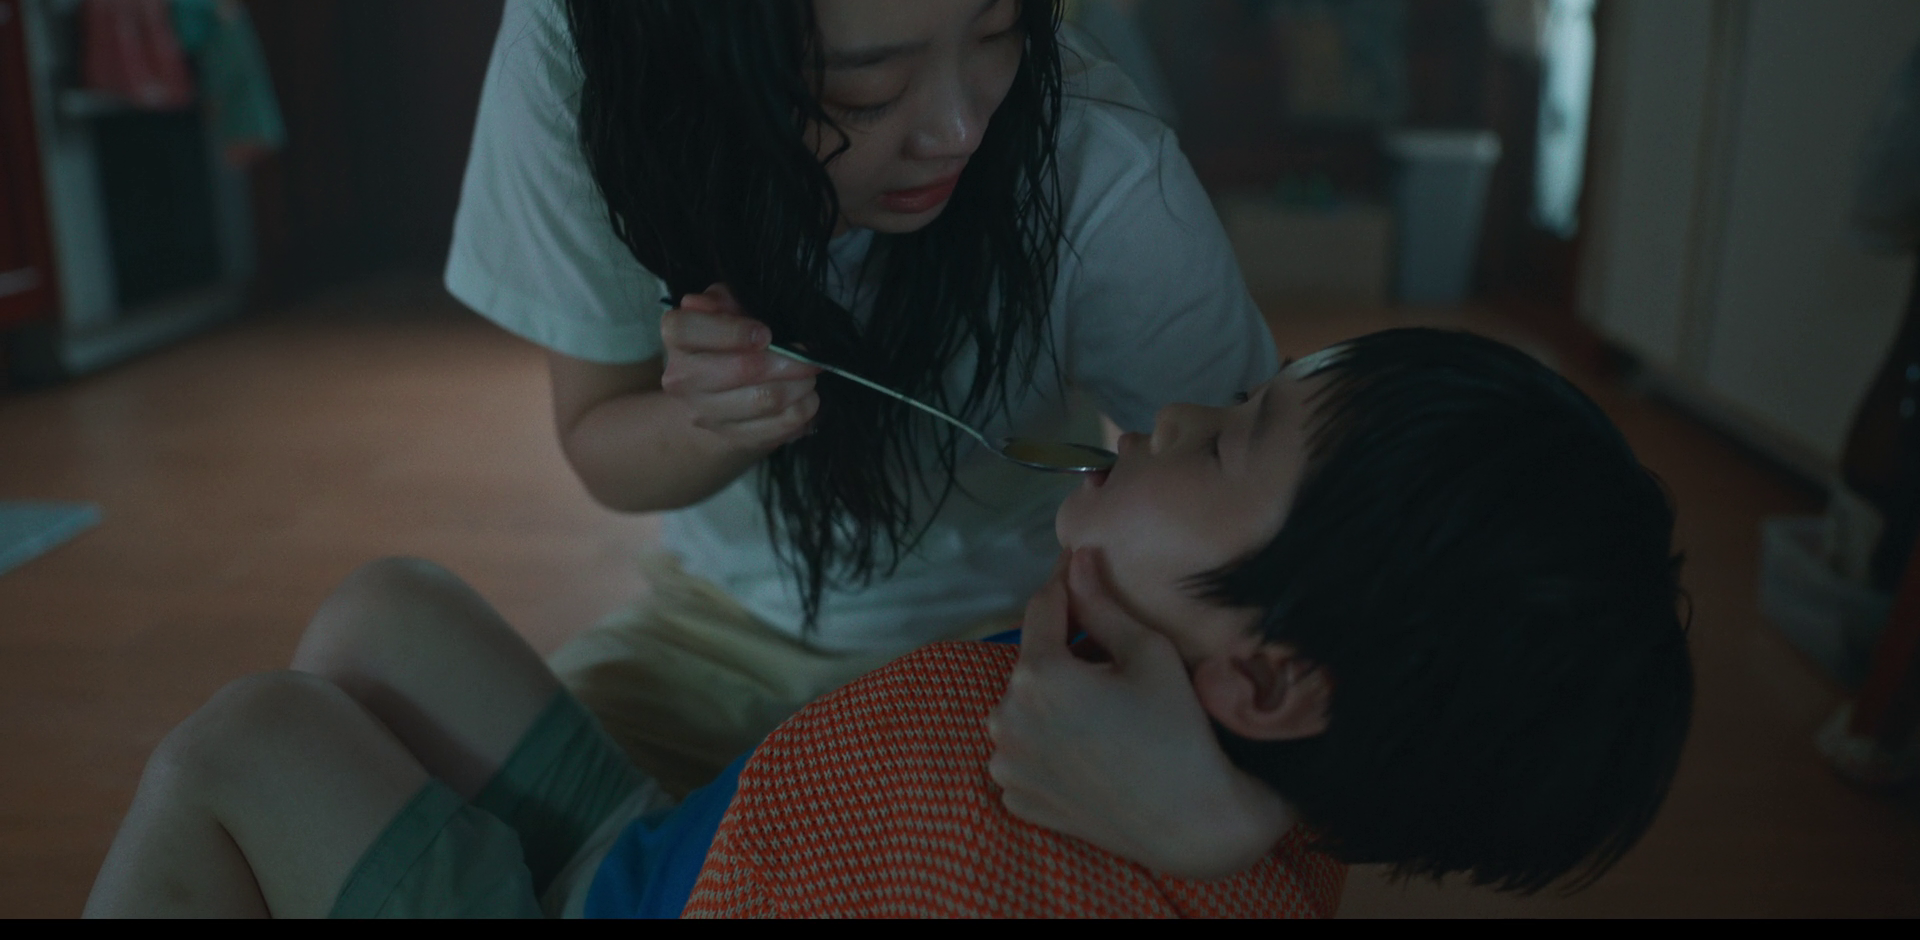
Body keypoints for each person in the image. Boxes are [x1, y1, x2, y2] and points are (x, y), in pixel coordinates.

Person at [85, 329, 1694, 917]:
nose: (1182, 413)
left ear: (1270, 676)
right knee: (391, 607)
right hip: (673, 860)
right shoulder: (1215, 719)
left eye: (1230, 444)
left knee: (248, 743)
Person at [447, 0, 1280, 855]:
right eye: (867, 86)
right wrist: (712, 419)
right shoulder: (586, 37)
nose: (960, 130)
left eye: (1002, 25)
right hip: (706, 636)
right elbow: (602, 438)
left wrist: (1233, 811)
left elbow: (1287, 551)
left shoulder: (1100, 166)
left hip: (1008, 642)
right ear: (691, 51)